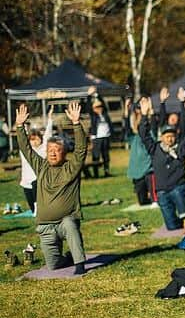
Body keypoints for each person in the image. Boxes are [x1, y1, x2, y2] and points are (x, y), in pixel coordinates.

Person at [15, 101, 88, 273]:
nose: (53, 153)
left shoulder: (71, 167)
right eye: (50, 150)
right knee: (53, 266)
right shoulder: (40, 167)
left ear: (64, 153)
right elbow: (26, 149)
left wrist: (76, 124)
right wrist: (19, 126)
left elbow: (81, 150)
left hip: (65, 221)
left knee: (70, 224)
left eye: (57, 150)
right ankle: (68, 258)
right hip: (45, 225)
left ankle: (79, 264)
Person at [140, 95, 185, 234]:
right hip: (162, 191)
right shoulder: (154, 149)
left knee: (178, 193)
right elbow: (144, 135)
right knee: (171, 226)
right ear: (161, 137)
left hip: (179, 186)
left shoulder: (180, 149)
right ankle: (177, 222)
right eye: (167, 136)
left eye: (172, 136)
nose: (170, 138)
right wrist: (143, 115)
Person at [18, 111, 54, 215]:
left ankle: (40, 208)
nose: (34, 142)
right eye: (32, 140)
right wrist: (21, 124)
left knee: (38, 205)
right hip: (26, 181)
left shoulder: (43, 149)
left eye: (37, 139)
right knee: (33, 210)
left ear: (41, 140)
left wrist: (50, 119)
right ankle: (36, 209)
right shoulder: (25, 151)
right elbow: (22, 138)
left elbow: (48, 134)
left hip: (38, 180)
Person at [123, 99, 153, 206]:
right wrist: (126, 110)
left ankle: (155, 197)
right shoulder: (133, 137)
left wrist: (150, 110)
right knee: (142, 201)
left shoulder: (150, 134)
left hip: (150, 170)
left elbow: (150, 123)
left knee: (155, 198)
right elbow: (127, 128)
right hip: (137, 171)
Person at [88, 89, 112, 177]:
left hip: (106, 136)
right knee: (96, 156)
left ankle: (107, 171)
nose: (99, 108)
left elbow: (103, 104)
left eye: (100, 107)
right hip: (97, 138)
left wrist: (97, 94)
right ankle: (96, 173)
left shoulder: (105, 114)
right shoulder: (94, 116)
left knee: (106, 156)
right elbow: (88, 106)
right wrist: (90, 95)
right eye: (97, 107)